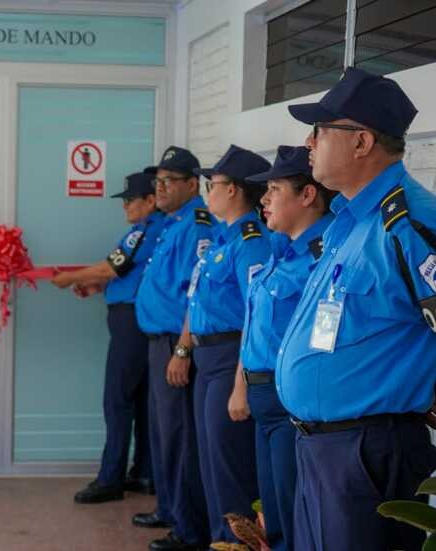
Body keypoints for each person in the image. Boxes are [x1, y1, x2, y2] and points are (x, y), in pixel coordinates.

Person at [278, 67, 436, 551]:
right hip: (323, 449)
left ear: (361, 141)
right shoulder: (347, 221)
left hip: (368, 452)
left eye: (320, 131)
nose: (308, 142)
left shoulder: (409, 222)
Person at [229, 146, 334, 551]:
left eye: (274, 189)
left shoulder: (319, 258)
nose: (265, 199)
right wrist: (241, 384)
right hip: (263, 396)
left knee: (295, 515)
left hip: (290, 398)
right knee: (274, 513)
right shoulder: (280, 250)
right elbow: (254, 324)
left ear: (307, 195)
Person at [51, 171, 163, 504]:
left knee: (117, 399)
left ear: (150, 201)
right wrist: (98, 285)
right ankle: (144, 473)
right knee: (143, 401)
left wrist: (69, 277)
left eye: (131, 200)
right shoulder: (155, 231)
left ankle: (110, 478)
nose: (125, 206)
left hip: (132, 324)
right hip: (142, 321)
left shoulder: (145, 232)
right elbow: (129, 274)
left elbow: (111, 268)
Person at [185, 145, 272, 544]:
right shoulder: (223, 236)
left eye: (212, 183)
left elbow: (255, 316)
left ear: (235, 190)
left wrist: (241, 381)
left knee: (230, 467)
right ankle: (220, 541)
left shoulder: (251, 240)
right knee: (211, 463)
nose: (208, 190)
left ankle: (239, 544)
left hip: (229, 358)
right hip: (207, 357)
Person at [132, 146, 214, 551]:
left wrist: (182, 350)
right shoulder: (171, 221)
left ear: (192, 184)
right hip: (156, 342)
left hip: (175, 344)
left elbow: (192, 297)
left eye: (168, 181)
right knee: (163, 433)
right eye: (157, 182)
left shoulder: (197, 225)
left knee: (179, 437)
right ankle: (168, 507)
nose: (159, 188)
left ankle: (186, 526)